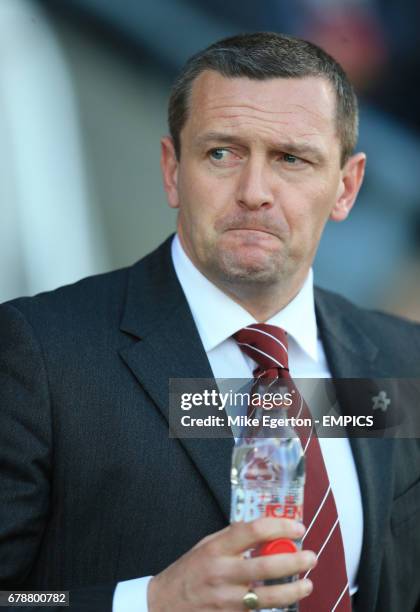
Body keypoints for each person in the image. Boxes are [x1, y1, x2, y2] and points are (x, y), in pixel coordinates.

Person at [0, 32, 419, 612]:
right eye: (222, 153)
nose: (254, 193)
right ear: (173, 170)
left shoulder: (404, 357)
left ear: (346, 186)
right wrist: (147, 600)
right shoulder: (37, 353)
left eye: (291, 159)